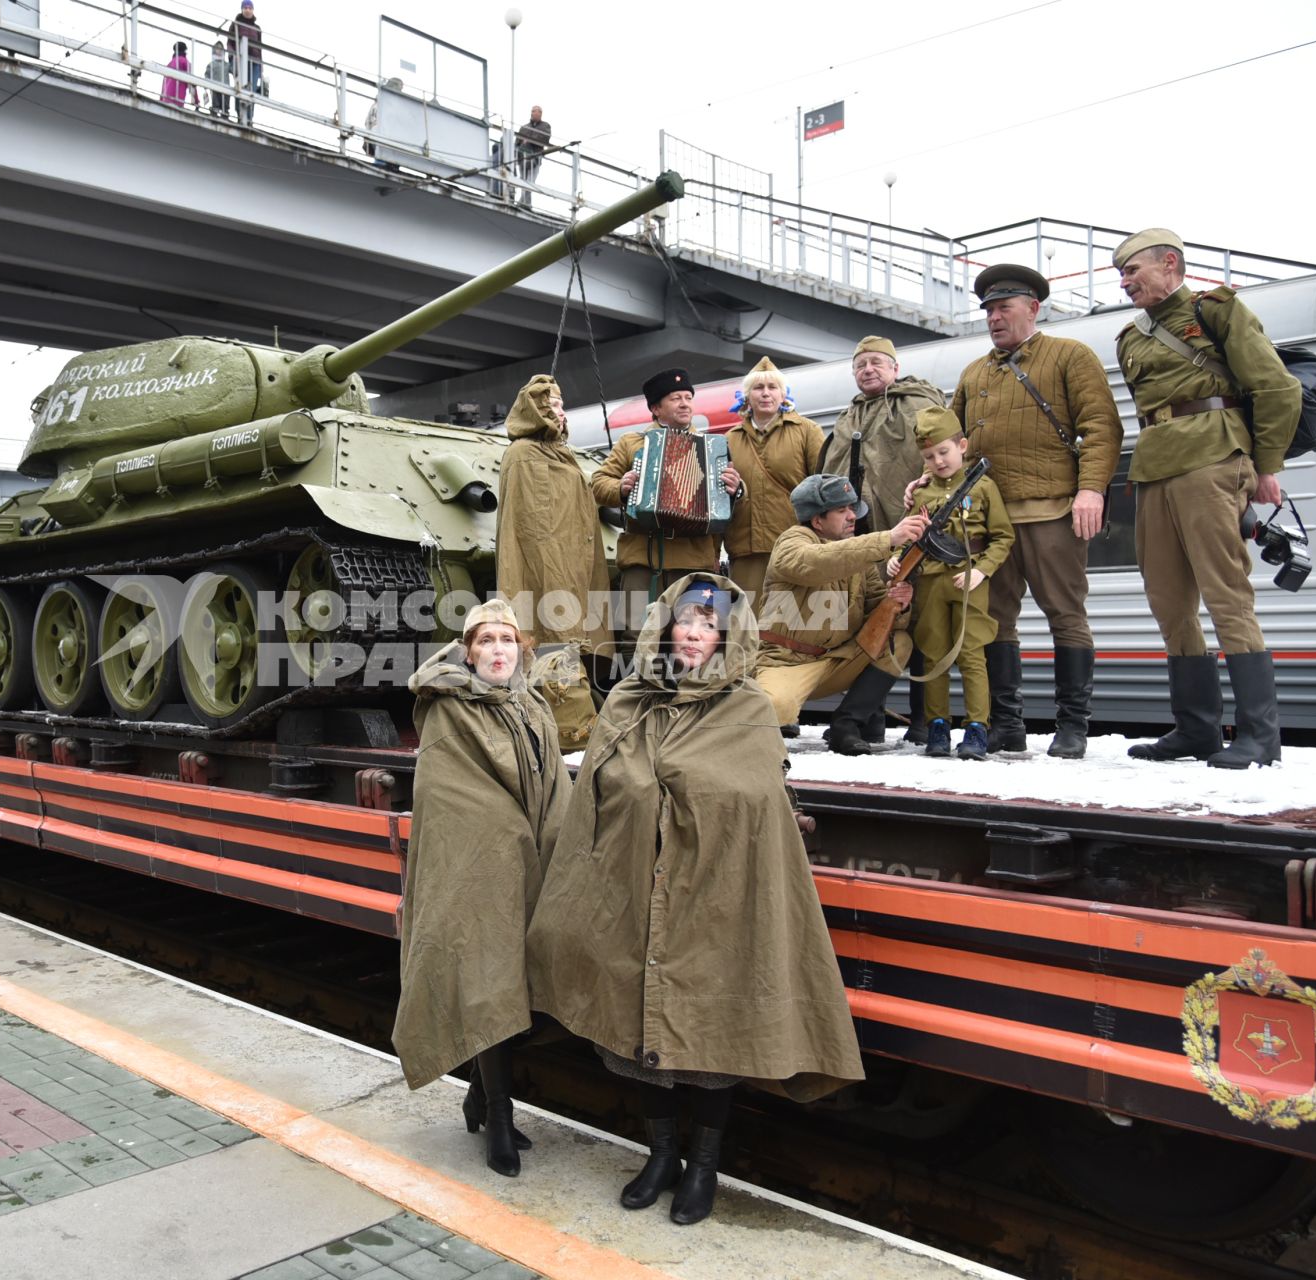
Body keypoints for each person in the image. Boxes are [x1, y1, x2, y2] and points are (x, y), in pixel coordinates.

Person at [527, 576, 864, 1225]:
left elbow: (757, 806)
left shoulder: (748, 709)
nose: (693, 631)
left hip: (718, 902)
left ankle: (703, 1167)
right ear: (665, 625)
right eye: (685, 620)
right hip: (633, 893)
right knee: (633, 1034)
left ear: (726, 636)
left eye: (708, 624)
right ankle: (659, 1156)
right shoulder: (628, 702)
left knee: (713, 1042)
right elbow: (596, 802)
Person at [393, 599, 569, 1179]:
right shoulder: (449, 712)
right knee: (491, 983)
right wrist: (511, 836)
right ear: (467, 652)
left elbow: (552, 789)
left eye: (508, 640)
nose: (499, 650)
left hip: (528, 866)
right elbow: (453, 797)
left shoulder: (533, 706)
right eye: (486, 640)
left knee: (520, 986)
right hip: (480, 871)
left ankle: (477, 1095)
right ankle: (497, 1111)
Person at [1113, 228, 1301, 768]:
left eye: (1134, 271)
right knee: (1169, 602)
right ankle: (1196, 729)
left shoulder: (1215, 310)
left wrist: (1266, 465)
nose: (1126, 283)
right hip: (1154, 467)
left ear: (1169, 264)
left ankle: (1260, 737)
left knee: (1226, 595)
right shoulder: (1130, 336)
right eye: (1121, 275)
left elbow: (1276, 387)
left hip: (1213, 455)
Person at [949, 265, 1120, 758]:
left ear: (1033, 308)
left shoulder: (1070, 355)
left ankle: (1072, 727)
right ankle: (1008, 725)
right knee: (997, 620)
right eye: (988, 310)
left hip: (1052, 511)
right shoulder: (974, 372)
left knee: (1065, 615)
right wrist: (931, 476)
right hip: (993, 522)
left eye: (1004, 308)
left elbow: (1101, 428)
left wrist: (1091, 490)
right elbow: (953, 439)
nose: (994, 318)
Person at [820, 336, 947, 744]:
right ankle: (869, 718)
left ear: (895, 367)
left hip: (911, 530)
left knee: (924, 622)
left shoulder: (919, 404)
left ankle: (926, 720)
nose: (868, 370)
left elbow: (942, 456)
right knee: (871, 619)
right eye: (860, 365)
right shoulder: (846, 418)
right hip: (865, 537)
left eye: (876, 362)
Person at [753, 476, 929, 753]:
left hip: (837, 660)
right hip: (786, 662)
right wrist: (888, 539)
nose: (852, 517)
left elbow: (876, 609)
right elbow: (816, 562)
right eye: (841, 510)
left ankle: (846, 724)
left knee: (898, 643)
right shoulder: (791, 541)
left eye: (851, 508)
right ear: (816, 521)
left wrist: (899, 602)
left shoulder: (858, 553)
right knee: (774, 710)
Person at [494, 374, 609, 749]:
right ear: (535, 410)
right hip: (547, 564)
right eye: (552, 405)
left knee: (570, 632)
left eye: (561, 405)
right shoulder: (524, 454)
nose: (560, 412)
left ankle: (573, 715)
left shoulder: (560, 452)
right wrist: (553, 573)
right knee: (551, 634)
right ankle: (569, 727)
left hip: (571, 558)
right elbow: (533, 527)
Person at [590, 368, 742, 648]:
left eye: (688, 397)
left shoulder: (714, 447)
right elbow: (598, 484)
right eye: (675, 398)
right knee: (636, 634)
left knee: (691, 636)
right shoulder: (631, 444)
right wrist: (621, 488)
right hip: (642, 558)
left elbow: (725, 504)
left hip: (693, 558)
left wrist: (735, 490)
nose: (685, 403)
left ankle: (686, 690)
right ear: (656, 408)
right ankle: (637, 690)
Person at [908, 407, 1015, 760]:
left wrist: (981, 571)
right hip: (929, 582)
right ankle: (937, 725)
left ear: (962, 446)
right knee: (934, 657)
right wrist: (897, 555)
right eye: (929, 456)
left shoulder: (983, 487)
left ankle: (977, 728)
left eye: (944, 451)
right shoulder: (921, 494)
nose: (938, 461)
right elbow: (908, 535)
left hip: (969, 582)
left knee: (972, 656)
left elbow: (1002, 537)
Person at [723, 357, 823, 602]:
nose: (766, 393)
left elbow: (822, 488)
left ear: (783, 394)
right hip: (745, 549)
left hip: (795, 545)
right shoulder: (729, 439)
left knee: (792, 623)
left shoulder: (807, 431)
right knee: (748, 623)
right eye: (758, 388)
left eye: (772, 387)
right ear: (747, 397)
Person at [231, 1, 263, 126]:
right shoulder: (236, 24)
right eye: (245, 8)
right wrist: (233, 57)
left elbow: (260, 49)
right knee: (240, 88)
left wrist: (261, 67)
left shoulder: (257, 28)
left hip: (254, 62)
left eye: (250, 8)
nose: (248, 10)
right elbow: (230, 42)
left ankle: (249, 119)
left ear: (253, 10)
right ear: (242, 9)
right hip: (240, 60)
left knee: (252, 90)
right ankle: (240, 116)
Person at [514, 105, 550, 207]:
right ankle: (525, 203)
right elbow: (517, 141)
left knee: (530, 181)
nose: (533, 113)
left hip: (535, 156)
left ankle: (524, 203)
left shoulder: (545, 126)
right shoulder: (524, 127)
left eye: (535, 111)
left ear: (540, 113)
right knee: (523, 181)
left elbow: (545, 138)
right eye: (532, 111)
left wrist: (529, 140)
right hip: (522, 157)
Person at [160, 42, 196, 109]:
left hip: (166, 98)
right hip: (178, 98)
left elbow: (163, 84)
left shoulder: (169, 64)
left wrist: (161, 99)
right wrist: (196, 100)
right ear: (185, 50)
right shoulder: (185, 62)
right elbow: (192, 82)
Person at [204, 40, 231, 118]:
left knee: (225, 104)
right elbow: (207, 75)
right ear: (214, 50)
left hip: (226, 88)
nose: (219, 51)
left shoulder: (227, 65)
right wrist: (205, 85)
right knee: (215, 102)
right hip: (215, 87)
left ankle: (225, 114)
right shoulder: (211, 64)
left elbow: (234, 71)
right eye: (217, 49)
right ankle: (214, 112)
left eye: (221, 49)